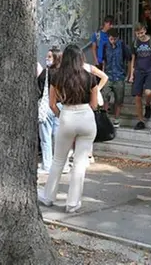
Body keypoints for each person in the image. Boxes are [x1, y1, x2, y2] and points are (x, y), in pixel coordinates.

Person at [38, 45, 106, 213]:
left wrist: (61, 115)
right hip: (86, 116)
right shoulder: (89, 77)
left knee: (58, 160)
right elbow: (94, 103)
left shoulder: (57, 77)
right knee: (80, 163)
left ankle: (48, 197)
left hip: (67, 114)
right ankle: (72, 203)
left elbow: (52, 104)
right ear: (80, 58)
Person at [129, 23, 151, 129]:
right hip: (138, 71)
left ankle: (147, 104)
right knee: (137, 96)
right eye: (138, 33)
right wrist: (131, 74)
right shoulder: (134, 43)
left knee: (148, 92)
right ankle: (140, 120)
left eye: (141, 32)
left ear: (145, 30)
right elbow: (133, 59)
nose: (140, 35)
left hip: (150, 70)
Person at [37, 48, 63, 174]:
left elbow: (39, 89)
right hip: (60, 106)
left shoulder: (46, 73)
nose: (47, 59)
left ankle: (47, 164)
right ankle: (60, 164)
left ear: (55, 58)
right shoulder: (63, 73)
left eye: (49, 57)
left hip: (47, 105)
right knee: (58, 136)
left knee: (46, 137)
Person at [100, 30, 130, 127]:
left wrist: (129, 75)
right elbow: (104, 60)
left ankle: (116, 119)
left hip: (119, 76)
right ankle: (105, 118)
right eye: (111, 39)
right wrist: (103, 73)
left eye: (114, 39)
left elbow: (129, 60)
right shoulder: (106, 46)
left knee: (119, 99)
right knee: (105, 96)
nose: (112, 41)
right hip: (108, 75)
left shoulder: (122, 46)